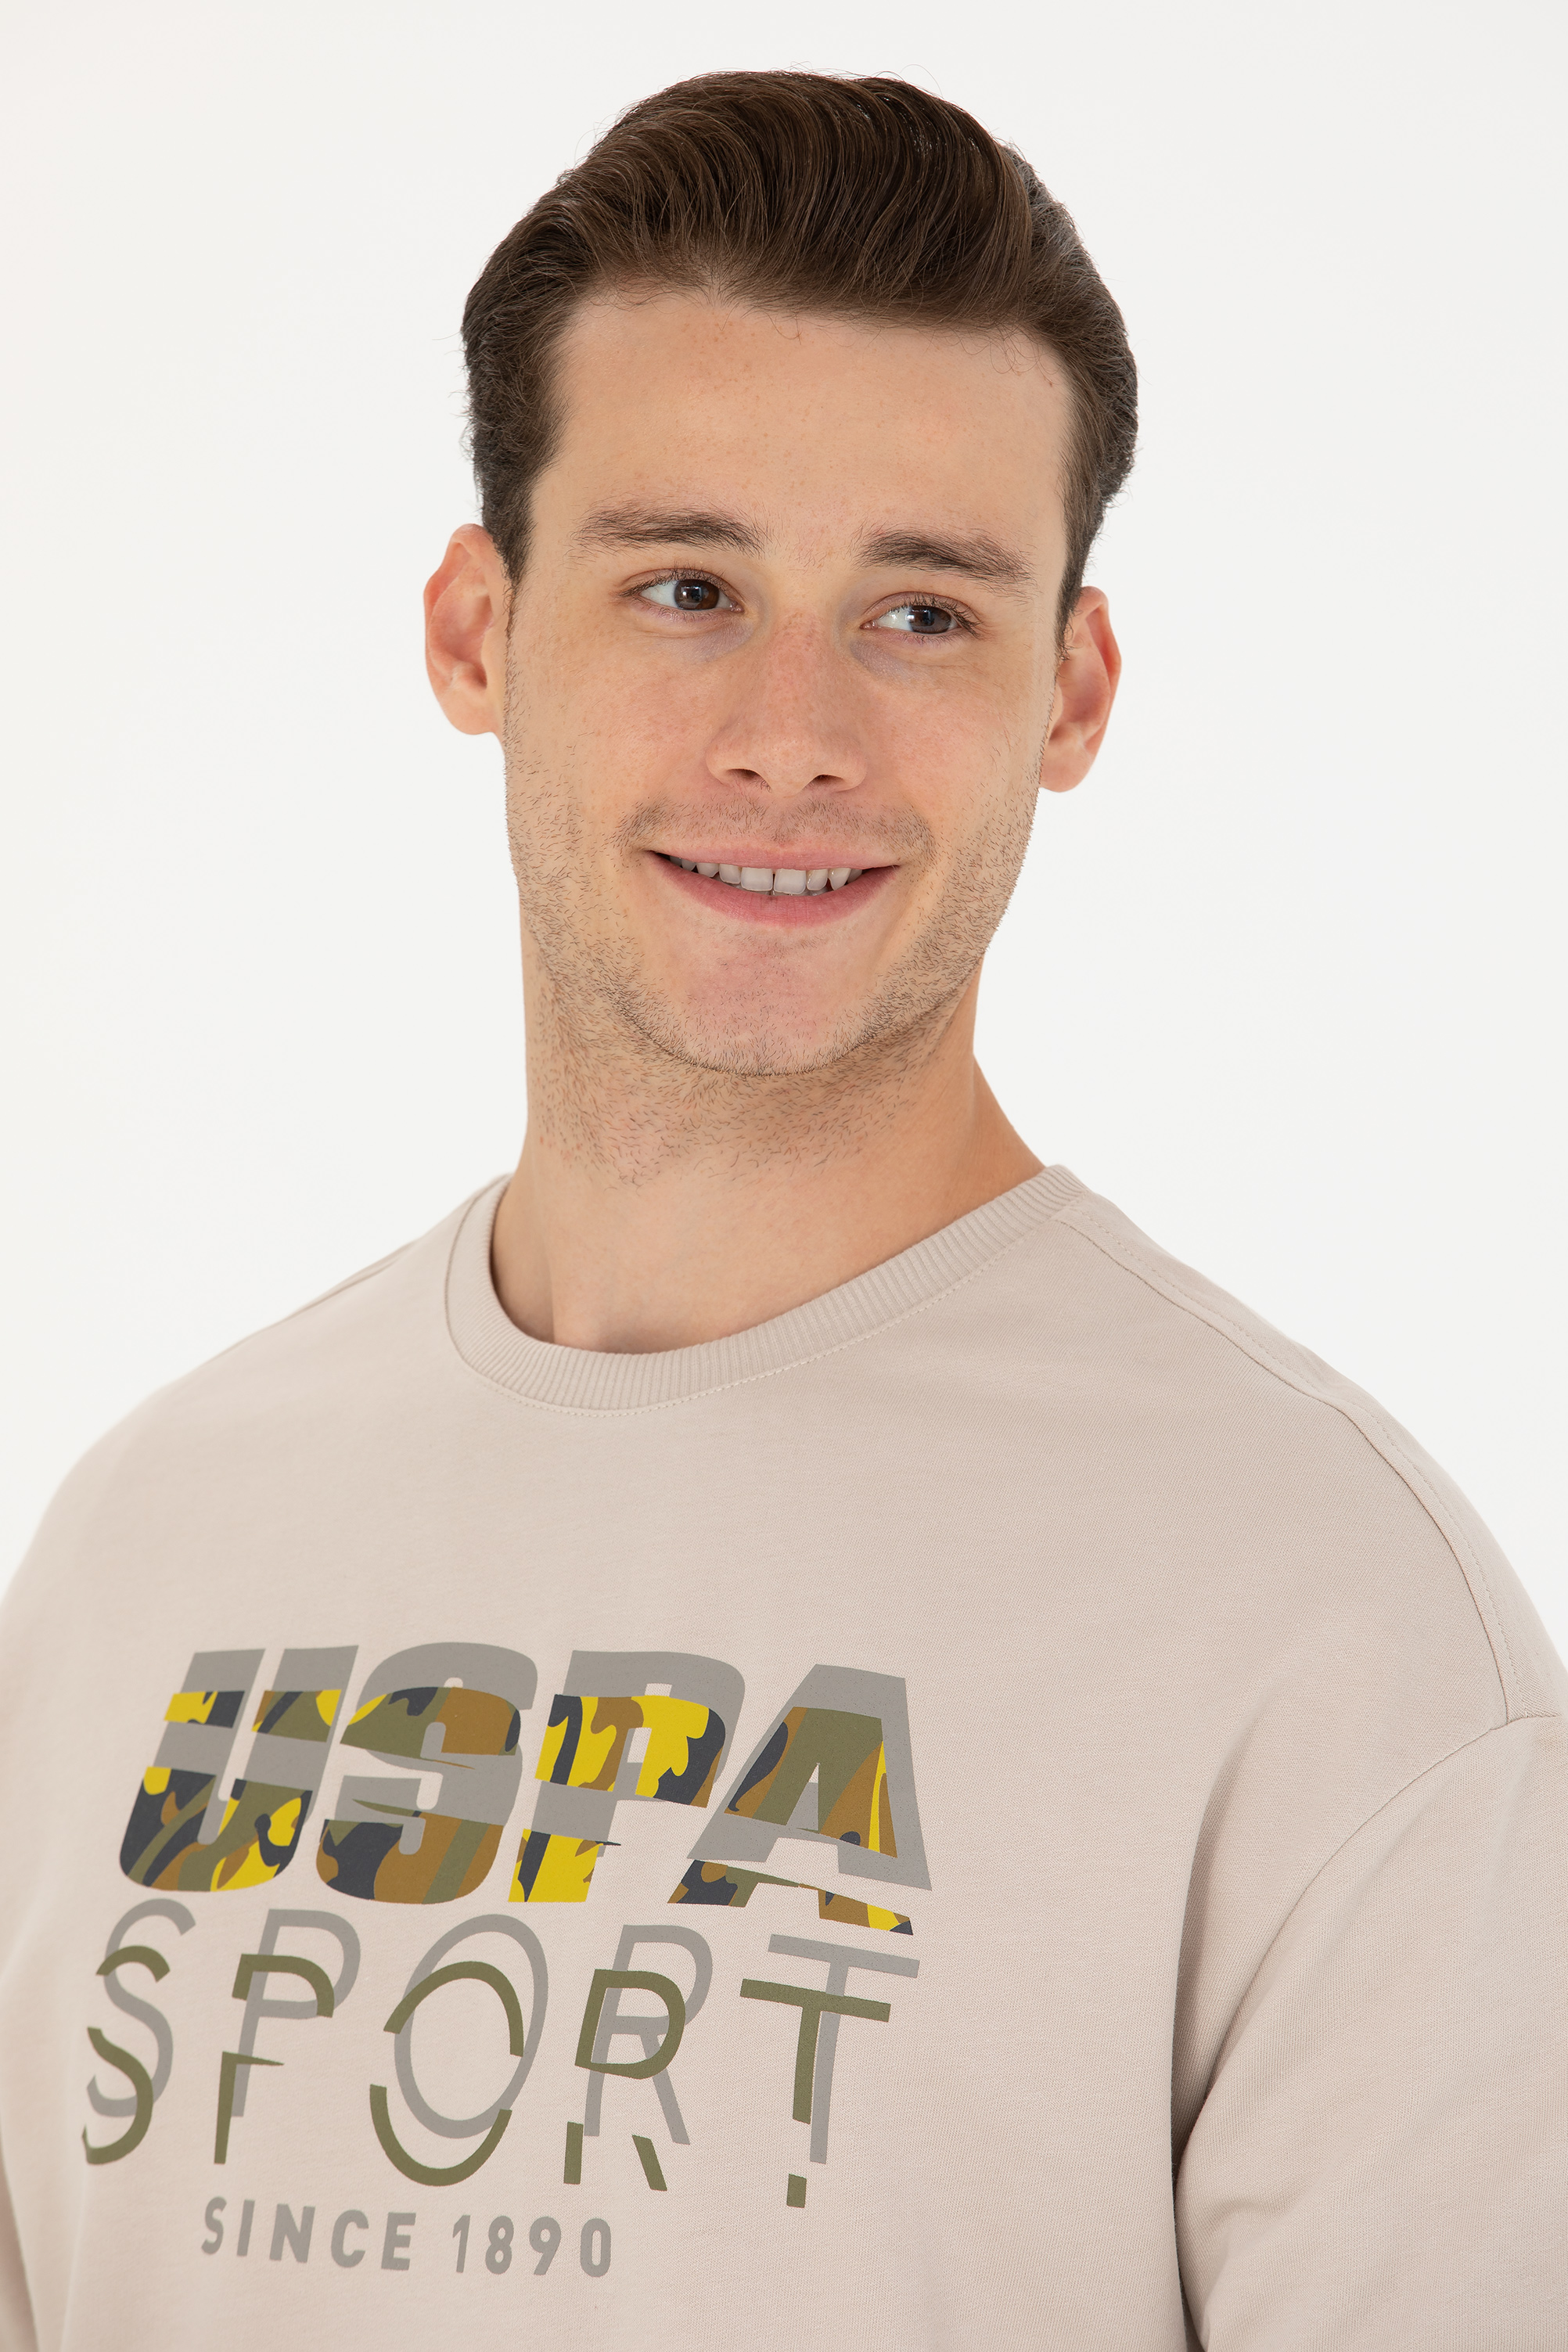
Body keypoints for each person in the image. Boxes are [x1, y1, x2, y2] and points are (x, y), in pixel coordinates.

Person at [0, 69, 1561, 2352]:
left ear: (1070, 693)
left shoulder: (1333, 1641)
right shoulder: (145, 1551)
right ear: (475, 632)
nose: (793, 733)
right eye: (685, 587)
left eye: (919, 612)